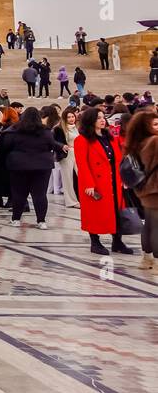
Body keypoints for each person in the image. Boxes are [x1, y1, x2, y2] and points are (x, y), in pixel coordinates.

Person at [75, 106, 132, 256]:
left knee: (116, 211)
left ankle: (117, 241)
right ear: (90, 121)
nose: (102, 120)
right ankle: (95, 242)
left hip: (113, 180)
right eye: (98, 118)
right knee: (95, 212)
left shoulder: (110, 137)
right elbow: (82, 164)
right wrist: (88, 184)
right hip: (96, 182)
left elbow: (118, 159)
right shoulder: (82, 140)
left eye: (102, 117)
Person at [124, 109, 158, 270]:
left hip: (145, 189)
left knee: (150, 224)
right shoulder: (155, 141)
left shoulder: (137, 143)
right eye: (155, 124)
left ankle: (147, 259)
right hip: (155, 188)